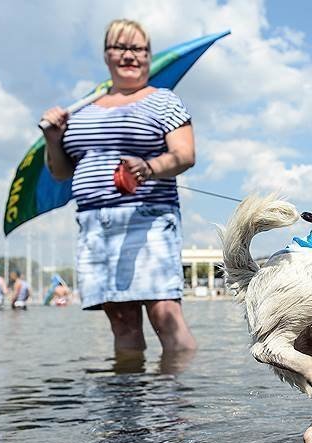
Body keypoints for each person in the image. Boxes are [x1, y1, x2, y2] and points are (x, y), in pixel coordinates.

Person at [39, 19, 196, 356]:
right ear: (106, 55)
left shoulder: (163, 101)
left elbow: (185, 155)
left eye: (138, 49)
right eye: (120, 48)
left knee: (166, 314)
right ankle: (128, 406)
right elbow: (61, 172)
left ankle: (177, 406)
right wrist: (53, 139)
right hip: (95, 225)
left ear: (149, 56)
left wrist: (150, 167)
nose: (129, 55)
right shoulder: (80, 110)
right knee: (122, 323)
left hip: (149, 217)